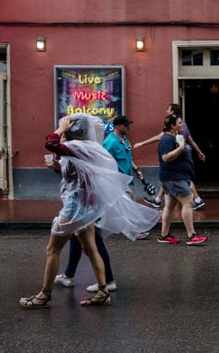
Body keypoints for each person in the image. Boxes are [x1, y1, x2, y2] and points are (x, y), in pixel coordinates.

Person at [19, 114, 160, 308]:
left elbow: (50, 144)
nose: (62, 133)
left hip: (74, 208)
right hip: (86, 207)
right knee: (90, 249)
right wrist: (57, 167)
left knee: (52, 250)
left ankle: (44, 295)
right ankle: (103, 291)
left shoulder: (77, 147)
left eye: (66, 129)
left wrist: (59, 128)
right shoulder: (89, 147)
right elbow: (77, 171)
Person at [53, 115, 148, 293]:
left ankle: (108, 281)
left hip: (89, 202)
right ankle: (68, 275)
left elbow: (98, 170)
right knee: (77, 237)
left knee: (93, 241)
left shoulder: (88, 148)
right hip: (88, 201)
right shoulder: (98, 145)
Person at [135, 104, 206, 210]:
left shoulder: (175, 126)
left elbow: (159, 138)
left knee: (182, 179)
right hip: (184, 152)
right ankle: (158, 200)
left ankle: (197, 199)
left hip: (181, 153)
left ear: (173, 112)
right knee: (172, 180)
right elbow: (190, 140)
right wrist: (199, 152)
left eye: (168, 110)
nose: (166, 111)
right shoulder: (183, 124)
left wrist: (142, 143)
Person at [156, 114, 208, 245]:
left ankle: (164, 235)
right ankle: (191, 235)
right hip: (174, 178)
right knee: (188, 202)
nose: (182, 125)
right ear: (173, 126)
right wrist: (180, 147)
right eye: (180, 123)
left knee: (169, 206)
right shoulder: (167, 140)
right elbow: (165, 158)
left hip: (174, 177)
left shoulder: (173, 138)